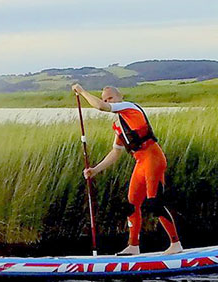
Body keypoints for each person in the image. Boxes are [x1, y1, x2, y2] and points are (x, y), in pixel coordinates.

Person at [72, 84, 183, 256]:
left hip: (153, 157)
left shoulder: (128, 107)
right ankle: (133, 246)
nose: (108, 101)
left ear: (119, 96)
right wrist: (94, 170)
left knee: (154, 203)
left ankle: (175, 244)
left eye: (110, 98)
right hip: (140, 161)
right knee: (131, 204)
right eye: (105, 99)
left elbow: (101, 107)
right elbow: (115, 152)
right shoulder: (118, 125)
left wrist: (82, 91)